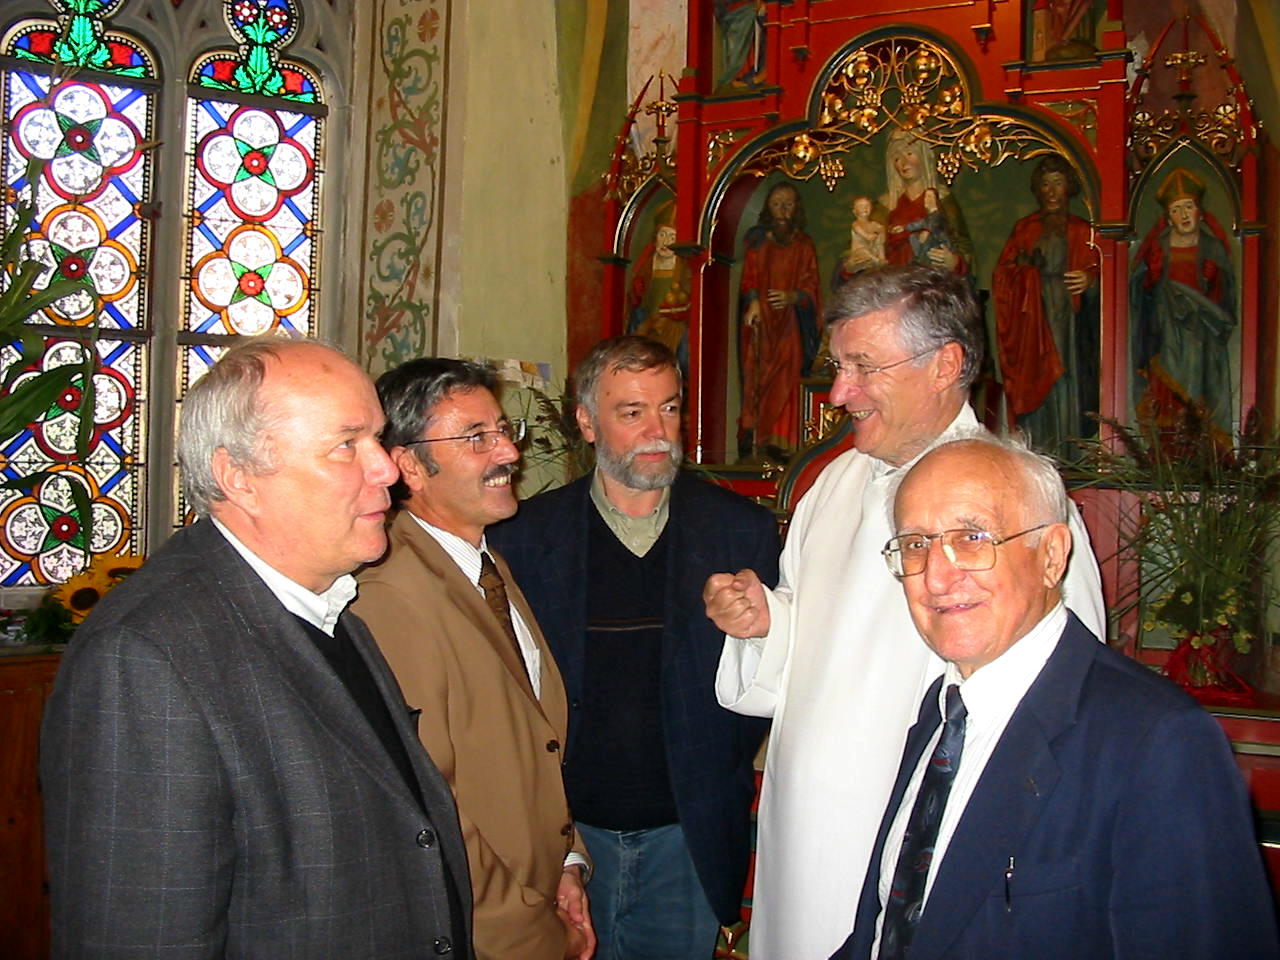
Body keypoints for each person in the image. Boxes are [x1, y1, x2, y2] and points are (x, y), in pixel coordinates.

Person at [704, 265, 1105, 960]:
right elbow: (825, 636)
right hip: (803, 838)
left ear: (945, 364)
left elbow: (1068, 701)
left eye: (863, 367)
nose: (838, 393)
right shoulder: (832, 485)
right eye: (839, 367)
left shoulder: (1020, 503)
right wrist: (766, 623)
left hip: (929, 845)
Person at [40, 337, 472, 957]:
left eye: (377, 439)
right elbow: (141, 932)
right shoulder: (145, 657)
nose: (387, 469)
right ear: (237, 477)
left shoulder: (327, 604)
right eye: (346, 445)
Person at [830, 434, 1278, 959]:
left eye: (972, 537)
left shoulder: (1157, 740)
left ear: (1051, 555)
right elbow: (890, 928)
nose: (936, 576)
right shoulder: (944, 712)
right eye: (915, 544)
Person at [489, 335, 779, 960]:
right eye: (633, 412)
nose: (658, 431)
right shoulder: (523, 539)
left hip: (687, 835)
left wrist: (763, 629)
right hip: (566, 837)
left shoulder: (741, 532)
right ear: (587, 422)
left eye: (669, 408)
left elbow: (770, 686)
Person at [352, 358, 594, 960]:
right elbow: (430, 806)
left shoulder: (486, 564)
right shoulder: (391, 592)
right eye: (476, 438)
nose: (509, 452)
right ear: (409, 465)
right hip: (481, 929)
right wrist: (530, 932)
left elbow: (531, 742)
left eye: (503, 430)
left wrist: (565, 862)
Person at [992, 153, 1100, 456]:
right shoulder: (1024, 229)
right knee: (1037, 382)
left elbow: (1105, 272)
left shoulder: (1083, 230)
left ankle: (1069, 454)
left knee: (1066, 377)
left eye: (1058, 183)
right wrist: (1025, 275)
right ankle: (1036, 453)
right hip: (1032, 321)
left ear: (1069, 188)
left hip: (1068, 318)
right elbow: (1002, 274)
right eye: (1045, 184)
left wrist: (1091, 279)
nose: (1052, 192)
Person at [1130, 166, 1236, 439]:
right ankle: (1166, 452)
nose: (1184, 215)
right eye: (1177, 209)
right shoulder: (1159, 247)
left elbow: (1226, 306)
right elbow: (1137, 299)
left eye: (1189, 206)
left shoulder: (1212, 247)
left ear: (1200, 211)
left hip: (1202, 338)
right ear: (1168, 217)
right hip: (1165, 336)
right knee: (1166, 399)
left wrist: (1215, 283)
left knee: (1200, 399)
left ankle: (1201, 451)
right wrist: (1151, 280)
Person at [738, 181, 822, 457]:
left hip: (790, 323)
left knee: (788, 377)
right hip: (763, 321)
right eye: (776, 204)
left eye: (788, 204)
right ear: (768, 209)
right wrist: (753, 302)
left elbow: (811, 284)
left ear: (796, 208)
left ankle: (783, 440)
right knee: (758, 377)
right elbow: (750, 277)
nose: (782, 210)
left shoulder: (804, 245)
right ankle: (757, 440)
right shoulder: (758, 243)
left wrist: (793, 296)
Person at [879, 131, 972, 278]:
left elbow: (963, 247)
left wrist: (953, 261)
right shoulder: (886, 205)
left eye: (910, 153)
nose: (904, 163)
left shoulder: (943, 200)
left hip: (932, 279)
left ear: (923, 156)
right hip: (895, 280)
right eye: (897, 158)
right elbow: (868, 245)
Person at [628, 201, 691, 375]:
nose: (666, 242)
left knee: (682, 354)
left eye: (672, 237)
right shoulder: (646, 265)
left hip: (674, 326)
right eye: (662, 234)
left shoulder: (684, 269)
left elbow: (688, 299)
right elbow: (636, 301)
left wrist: (674, 313)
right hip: (647, 324)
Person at [840, 195, 887, 280]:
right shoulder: (856, 224)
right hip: (859, 252)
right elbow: (864, 235)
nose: (865, 208)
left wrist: (881, 230)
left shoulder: (873, 224)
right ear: (855, 211)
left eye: (867, 206)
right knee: (864, 251)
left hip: (872, 249)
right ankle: (876, 260)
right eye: (861, 206)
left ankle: (881, 257)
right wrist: (869, 236)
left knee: (879, 239)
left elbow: (880, 229)